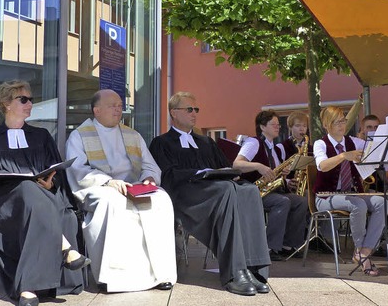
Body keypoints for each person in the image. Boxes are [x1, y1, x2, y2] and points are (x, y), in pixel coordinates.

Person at [0, 80, 87, 306]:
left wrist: (51, 184)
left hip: (41, 197)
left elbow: (55, 173)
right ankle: (65, 248)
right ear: (6, 103)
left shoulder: (41, 136)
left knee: (40, 197)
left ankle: (28, 289)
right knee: (25, 187)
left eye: (31, 99)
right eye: (23, 99)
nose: (29, 103)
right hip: (4, 205)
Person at [148, 92, 271, 296]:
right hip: (187, 197)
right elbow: (167, 176)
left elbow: (225, 168)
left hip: (217, 191)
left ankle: (253, 267)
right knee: (226, 189)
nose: (194, 113)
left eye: (196, 109)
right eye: (189, 109)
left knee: (249, 191)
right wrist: (200, 173)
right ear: (174, 113)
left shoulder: (206, 142)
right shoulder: (161, 143)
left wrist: (229, 174)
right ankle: (235, 272)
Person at [65, 89, 176, 292]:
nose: (118, 109)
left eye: (119, 105)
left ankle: (160, 274)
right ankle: (114, 278)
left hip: (133, 186)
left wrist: (149, 178)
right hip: (99, 188)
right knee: (113, 202)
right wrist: (108, 182)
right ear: (96, 110)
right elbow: (78, 170)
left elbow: (149, 165)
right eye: (112, 106)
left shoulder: (131, 134)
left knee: (161, 200)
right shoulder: (79, 135)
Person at [312, 106, 386, 276]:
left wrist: (386, 133)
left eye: (343, 121)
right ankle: (359, 250)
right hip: (325, 196)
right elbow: (322, 166)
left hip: (351, 193)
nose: (341, 125)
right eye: (336, 122)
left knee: (382, 202)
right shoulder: (320, 143)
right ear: (326, 125)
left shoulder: (353, 141)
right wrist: (343, 156)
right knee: (358, 205)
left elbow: (376, 148)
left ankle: (365, 251)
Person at [233, 110, 308, 261]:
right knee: (282, 202)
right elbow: (237, 164)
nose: (277, 127)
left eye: (278, 124)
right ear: (262, 127)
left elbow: (274, 174)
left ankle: (289, 245)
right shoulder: (253, 142)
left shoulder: (276, 148)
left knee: (301, 201)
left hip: (272, 190)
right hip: (254, 191)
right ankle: (270, 247)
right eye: (273, 124)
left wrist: (286, 179)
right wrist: (258, 166)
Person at [277, 111, 311, 193]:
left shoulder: (311, 148)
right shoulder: (281, 147)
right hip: (287, 189)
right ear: (290, 127)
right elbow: (277, 171)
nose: (302, 129)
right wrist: (287, 181)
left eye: (304, 126)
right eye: (297, 125)